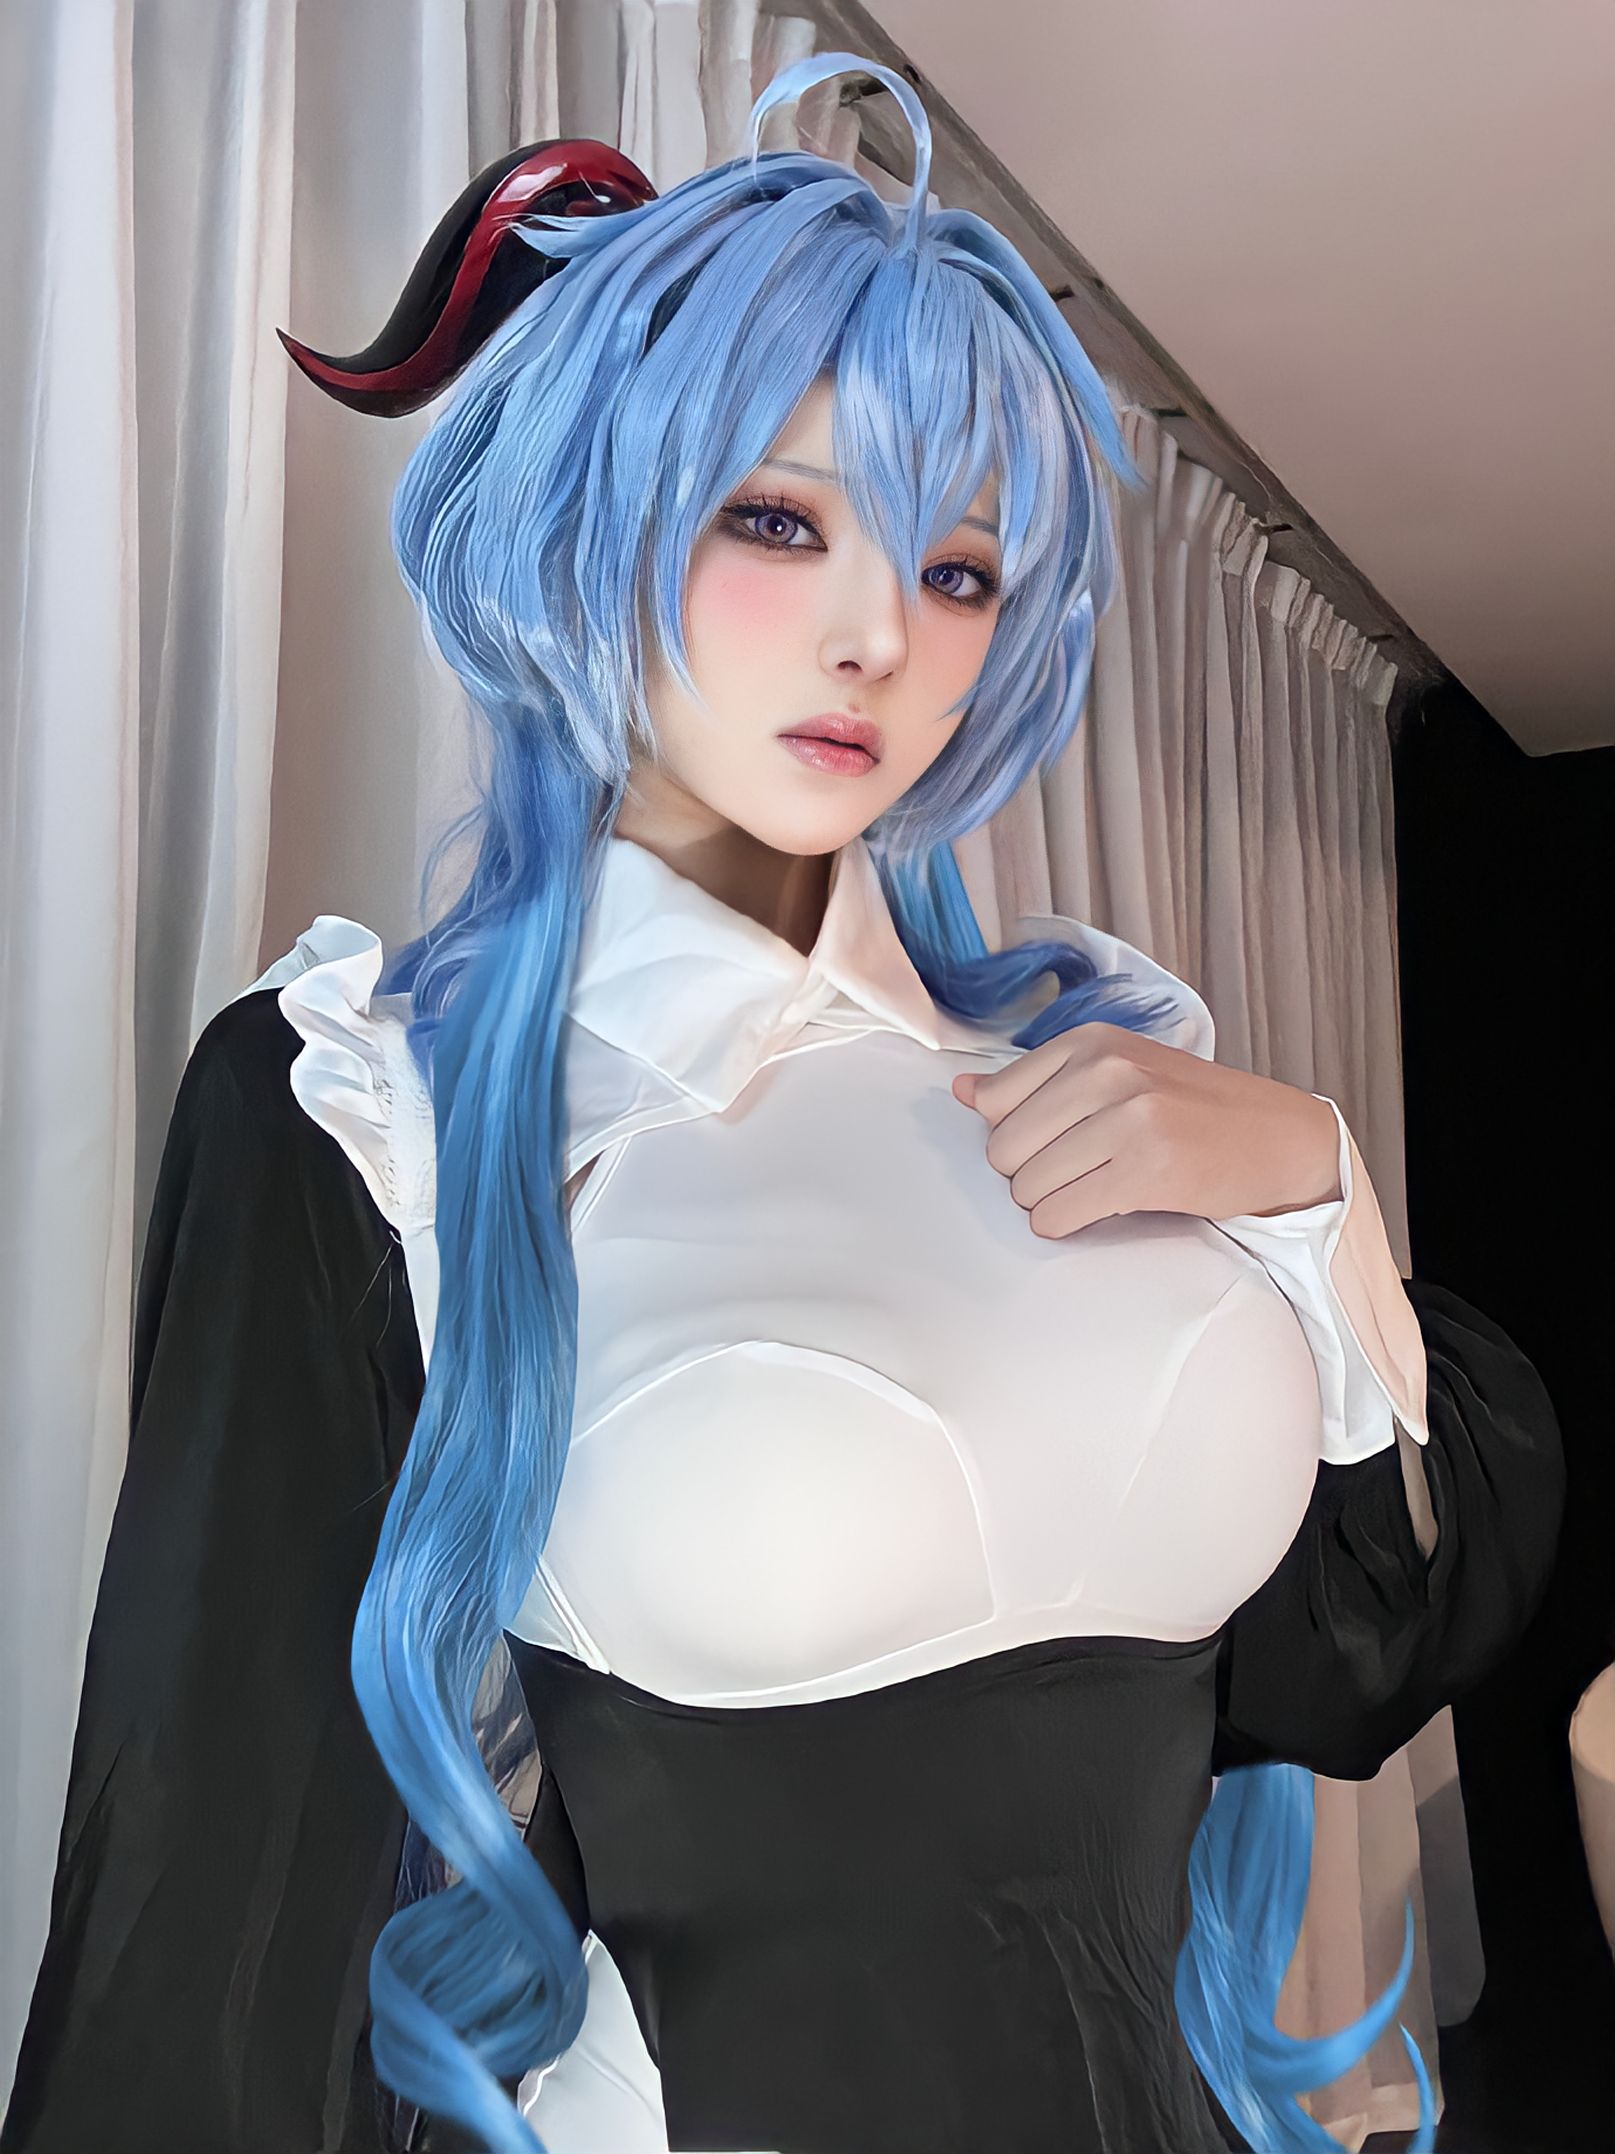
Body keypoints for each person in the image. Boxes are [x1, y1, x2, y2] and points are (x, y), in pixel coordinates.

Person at [2, 51, 1564, 2154]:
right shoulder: (380, 1114)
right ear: (596, 522)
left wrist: (1314, 1189)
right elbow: (217, 1892)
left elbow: (1346, 1662)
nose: (874, 639)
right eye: (776, 520)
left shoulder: (1090, 1067)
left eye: (957, 569)